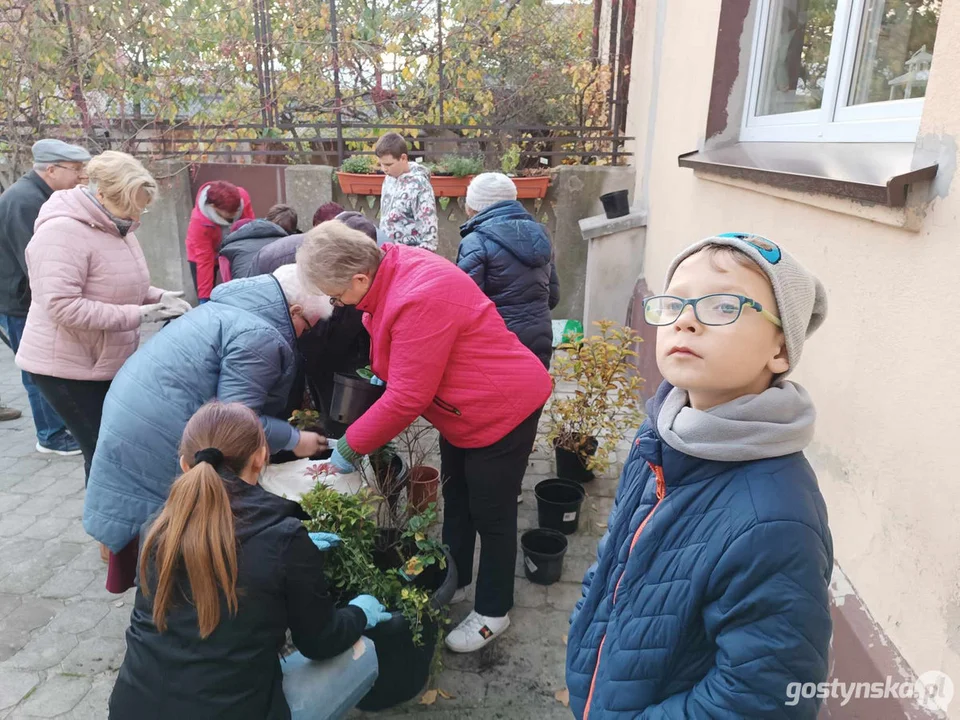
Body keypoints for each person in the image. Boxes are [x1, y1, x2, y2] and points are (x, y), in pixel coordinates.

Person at [565, 233, 831, 719]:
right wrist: (584, 636)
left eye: (722, 305)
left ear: (781, 351)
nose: (685, 319)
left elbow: (759, 701)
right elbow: (615, 557)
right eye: (674, 304)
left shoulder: (775, 518)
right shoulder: (661, 436)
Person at [297, 222, 552, 653]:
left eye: (338, 295)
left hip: (502, 407)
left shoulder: (418, 295)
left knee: (491, 513)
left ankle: (493, 610)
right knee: (458, 498)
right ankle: (454, 576)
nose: (337, 303)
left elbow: (408, 396)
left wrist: (347, 450)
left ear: (360, 276)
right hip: (462, 410)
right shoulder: (388, 274)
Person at [108, 401, 389, 720]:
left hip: (132, 709)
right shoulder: (283, 539)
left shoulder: (156, 529)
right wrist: (358, 613)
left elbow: (222, 555)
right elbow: (320, 642)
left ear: (185, 464)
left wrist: (291, 554)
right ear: (260, 458)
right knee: (363, 652)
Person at [84, 265, 330, 593]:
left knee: (143, 513)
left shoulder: (234, 306)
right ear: (295, 310)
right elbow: (235, 423)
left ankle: (154, 590)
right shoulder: (259, 334)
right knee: (168, 523)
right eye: (308, 326)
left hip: (134, 408)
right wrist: (296, 439)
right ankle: (180, 599)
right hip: (162, 428)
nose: (305, 334)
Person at [15, 151, 190, 484]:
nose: (137, 215)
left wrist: (157, 296)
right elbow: (63, 305)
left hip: (102, 360)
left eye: (143, 207)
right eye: (132, 205)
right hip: (67, 368)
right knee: (105, 455)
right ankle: (110, 530)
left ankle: (120, 525)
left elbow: (118, 282)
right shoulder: (61, 233)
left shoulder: (118, 225)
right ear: (103, 196)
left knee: (116, 450)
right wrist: (139, 315)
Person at [0, 139, 92, 456]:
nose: (81, 176)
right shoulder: (25, 201)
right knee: (36, 371)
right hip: (21, 302)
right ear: (50, 170)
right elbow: (35, 262)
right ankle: (50, 434)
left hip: (30, 299)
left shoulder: (41, 195)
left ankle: (58, 426)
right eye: (76, 169)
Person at [457, 173, 560, 369]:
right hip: (540, 337)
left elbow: (465, 306)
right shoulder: (541, 233)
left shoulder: (475, 241)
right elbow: (553, 297)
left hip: (496, 343)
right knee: (532, 395)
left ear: (472, 206)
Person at [185, 180, 254, 303]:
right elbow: (204, 259)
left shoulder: (242, 197)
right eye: (230, 214)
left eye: (237, 211)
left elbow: (250, 231)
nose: (235, 214)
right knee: (207, 296)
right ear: (213, 207)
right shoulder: (199, 221)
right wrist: (204, 298)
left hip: (232, 249)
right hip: (202, 256)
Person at [375, 133, 438, 251]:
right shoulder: (388, 178)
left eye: (388, 164)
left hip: (410, 258)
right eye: (381, 164)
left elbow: (429, 234)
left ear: (403, 158)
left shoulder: (420, 185)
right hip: (389, 254)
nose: (384, 169)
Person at [218, 203, 298, 282]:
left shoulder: (231, 246)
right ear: (292, 231)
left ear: (266, 218)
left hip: (241, 291)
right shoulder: (291, 247)